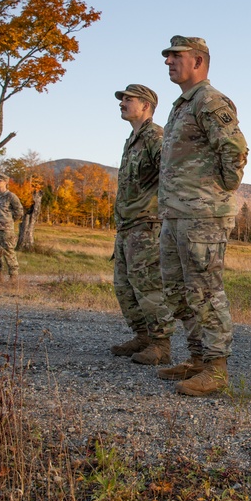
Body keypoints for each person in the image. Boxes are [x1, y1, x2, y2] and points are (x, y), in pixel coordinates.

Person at [157, 35, 248, 396]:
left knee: (204, 291)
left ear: (198, 61)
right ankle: (196, 358)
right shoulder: (181, 105)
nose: (168, 62)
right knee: (178, 291)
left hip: (202, 216)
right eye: (167, 57)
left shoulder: (211, 101)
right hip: (175, 214)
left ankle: (216, 368)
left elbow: (235, 149)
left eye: (176, 57)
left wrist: (217, 193)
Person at [109, 84, 178, 366]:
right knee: (124, 286)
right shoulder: (132, 139)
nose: (122, 103)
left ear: (146, 105)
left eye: (128, 99)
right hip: (126, 225)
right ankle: (143, 336)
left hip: (146, 225)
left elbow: (170, 174)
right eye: (122, 99)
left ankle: (161, 345)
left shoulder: (156, 137)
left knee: (148, 287)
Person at [0, 173, 24, 282]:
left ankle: (13, 276)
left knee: (8, 251)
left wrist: (9, 221)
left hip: (6, 229)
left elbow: (19, 211)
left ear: (5, 182)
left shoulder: (11, 196)